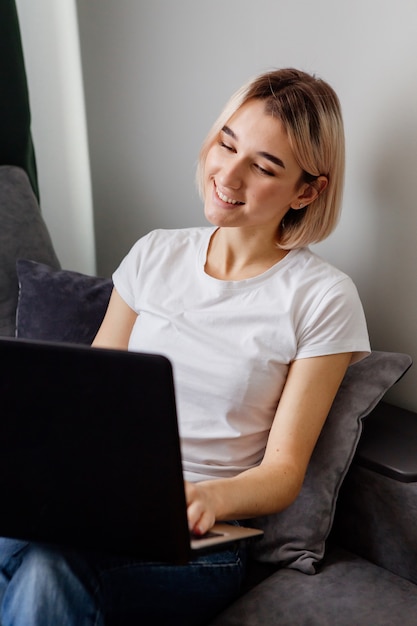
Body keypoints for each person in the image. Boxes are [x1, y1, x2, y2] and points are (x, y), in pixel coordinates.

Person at [0, 68, 370, 625]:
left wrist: (207, 498)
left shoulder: (323, 296)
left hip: (203, 542)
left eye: (264, 167)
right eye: (227, 142)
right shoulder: (155, 253)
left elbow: (284, 471)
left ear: (307, 190)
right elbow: (90, 393)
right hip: (100, 502)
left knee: (48, 567)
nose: (229, 174)